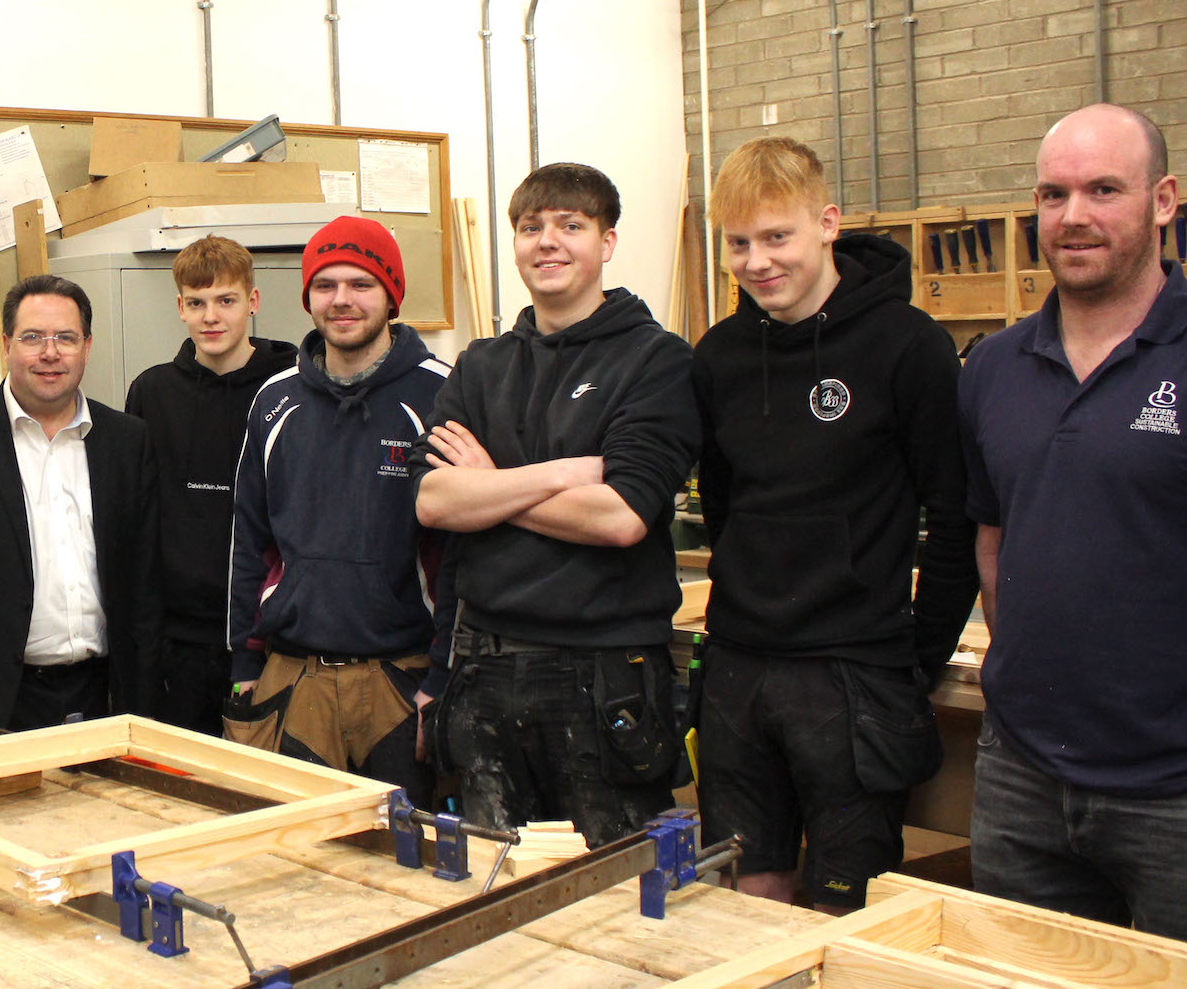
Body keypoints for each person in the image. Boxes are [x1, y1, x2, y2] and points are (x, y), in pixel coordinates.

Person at [691, 137, 978, 914]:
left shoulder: (908, 347)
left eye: (777, 237)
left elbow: (953, 518)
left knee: (843, 907)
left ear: (827, 222)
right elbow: (725, 505)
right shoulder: (717, 356)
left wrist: (913, 657)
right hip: (740, 669)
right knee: (748, 896)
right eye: (739, 243)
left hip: (856, 677)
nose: (757, 262)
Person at [413, 164, 699, 846]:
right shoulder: (481, 365)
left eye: (571, 226)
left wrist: (492, 484)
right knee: (495, 888)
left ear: (607, 241)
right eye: (530, 227)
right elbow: (434, 501)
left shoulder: (656, 360)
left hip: (603, 680)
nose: (548, 242)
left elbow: (621, 515)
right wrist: (565, 473)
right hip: (483, 673)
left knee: (618, 890)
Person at [959, 104, 1186, 939]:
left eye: (1103, 190)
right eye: (1054, 195)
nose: (1074, 216)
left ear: (1164, 200)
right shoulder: (992, 367)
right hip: (1021, 776)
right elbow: (993, 541)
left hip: (1174, 789)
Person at [226, 215, 452, 806]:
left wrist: (444, 676)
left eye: (361, 284)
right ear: (307, 297)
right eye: (325, 285)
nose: (342, 300)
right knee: (298, 864)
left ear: (391, 295)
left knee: (413, 866)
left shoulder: (440, 396)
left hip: (402, 680)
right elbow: (250, 542)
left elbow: (464, 556)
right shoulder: (273, 403)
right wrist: (241, 666)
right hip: (294, 681)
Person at [0, 273, 160, 730]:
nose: (50, 353)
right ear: (6, 344)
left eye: (65, 338)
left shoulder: (127, 440)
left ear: (87, 345)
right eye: (32, 338)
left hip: (104, 695)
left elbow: (145, 583)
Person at [124, 236, 297, 735]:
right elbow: (140, 512)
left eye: (226, 301)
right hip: (180, 641)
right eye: (197, 304)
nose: (211, 317)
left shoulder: (291, 385)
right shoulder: (152, 392)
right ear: (180, 307)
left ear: (253, 302)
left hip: (270, 637)